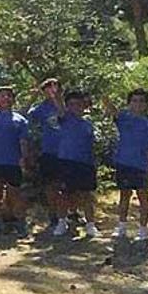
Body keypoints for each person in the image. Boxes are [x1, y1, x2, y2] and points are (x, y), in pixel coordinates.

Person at [0, 87, 31, 236]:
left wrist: (24, 158)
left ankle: (20, 223)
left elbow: (23, 141)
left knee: (14, 193)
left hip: (12, 162)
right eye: (3, 96)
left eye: (9, 96)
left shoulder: (20, 120)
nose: (6, 99)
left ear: (13, 100)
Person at [105, 89, 148, 241]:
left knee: (142, 196)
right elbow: (112, 109)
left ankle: (143, 229)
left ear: (146, 104)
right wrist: (105, 98)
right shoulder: (124, 118)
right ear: (129, 103)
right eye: (134, 100)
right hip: (124, 162)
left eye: (141, 101)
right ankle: (122, 226)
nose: (137, 104)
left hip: (142, 165)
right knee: (124, 195)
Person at [52, 90, 99, 237]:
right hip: (66, 162)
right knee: (64, 195)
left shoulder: (88, 124)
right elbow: (60, 107)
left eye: (78, 104)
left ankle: (90, 225)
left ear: (83, 106)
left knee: (86, 195)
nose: (75, 107)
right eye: (71, 105)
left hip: (85, 164)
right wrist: (56, 95)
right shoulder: (65, 119)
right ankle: (62, 223)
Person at [28, 78, 63, 229]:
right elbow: (24, 115)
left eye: (54, 87)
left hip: (68, 151)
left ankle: (70, 213)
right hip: (49, 150)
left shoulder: (68, 104)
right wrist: (33, 96)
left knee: (69, 186)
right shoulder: (40, 109)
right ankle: (54, 214)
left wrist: (57, 99)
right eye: (48, 88)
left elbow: (66, 116)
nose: (52, 90)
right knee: (50, 185)